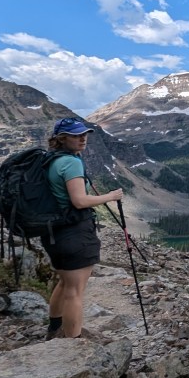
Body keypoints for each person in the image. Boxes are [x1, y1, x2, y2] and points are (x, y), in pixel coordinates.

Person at [43, 117, 123, 340]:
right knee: (75, 291)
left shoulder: (52, 159)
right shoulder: (71, 162)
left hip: (54, 232)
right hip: (73, 232)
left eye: (84, 134)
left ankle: (54, 330)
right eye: (76, 135)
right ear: (62, 138)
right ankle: (73, 345)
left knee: (65, 282)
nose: (83, 138)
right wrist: (111, 196)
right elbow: (79, 201)